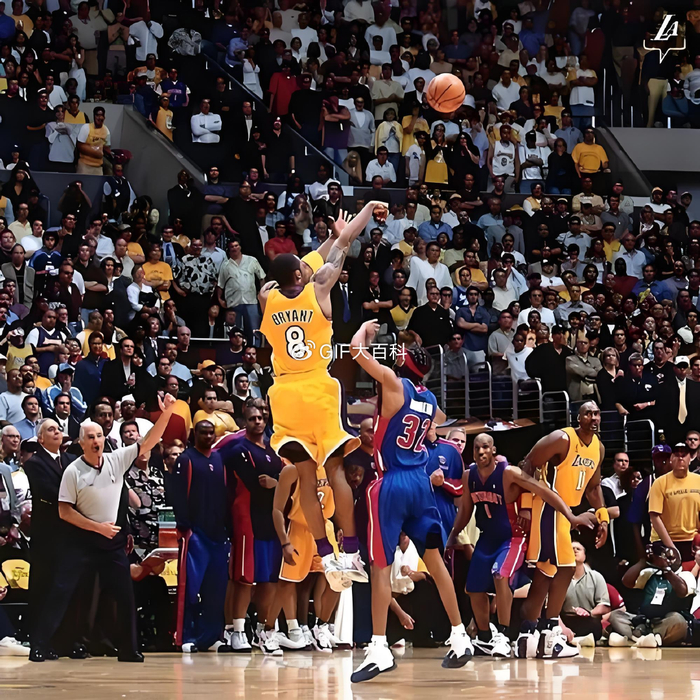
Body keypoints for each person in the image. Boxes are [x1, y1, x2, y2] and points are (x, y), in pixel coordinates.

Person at [259, 203, 386, 590]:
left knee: (304, 478)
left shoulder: (267, 297)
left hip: (284, 394)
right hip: (317, 388)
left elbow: (301, 265)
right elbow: (346, 241)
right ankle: (350, 551)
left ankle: (325, 553)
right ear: (301, 274)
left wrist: (328, 238)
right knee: (334, 472)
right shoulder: (320, 287)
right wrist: (366, 209)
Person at [349, 322, 472, 682]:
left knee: (380, 566)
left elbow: (356, 352)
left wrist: (364, 332)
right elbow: (436, 422)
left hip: (392, 483)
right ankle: (459, 635)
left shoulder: (393, 382)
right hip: (421, 483)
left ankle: (378, 647)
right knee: (435, 562)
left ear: (401, 362)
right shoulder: (430, 399)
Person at [29, 393, 178, 663]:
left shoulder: (116, 459)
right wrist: (97, 528)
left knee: (124, 595)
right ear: (81, 442)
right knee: (61, 592)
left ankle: (129, 649)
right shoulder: (73, 471)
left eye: (99, 435)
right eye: (91, 437)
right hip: (81, 542)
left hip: (112, 543)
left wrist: (166, 413)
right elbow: (64, 512)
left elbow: (148, 441)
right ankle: (38, 645)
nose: (96, 440)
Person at [448, 434, 597, 656]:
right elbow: (466, 510)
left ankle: (503, 634)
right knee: (473, 590)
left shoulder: (508, 473)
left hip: (512, 539)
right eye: (477, 448)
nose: (480, 452)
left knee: (501, 575)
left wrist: (571, 516)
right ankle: (484, 638)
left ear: (493, 450)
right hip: (486, 538)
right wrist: (453, 535)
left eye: (485, 447)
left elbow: (544, 491)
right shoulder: (469, 476)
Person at [516, 402, 608, 659]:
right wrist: (525, 506)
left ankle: (527, 635)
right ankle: (550, 633)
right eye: (588, 413)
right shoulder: (562, 439)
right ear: (578, 418)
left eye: (597, 413)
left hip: (567, 514)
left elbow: (593, 488)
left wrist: (603, 519)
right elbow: (527, 463)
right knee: (567, 567)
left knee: (546, 573)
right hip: (548, 507)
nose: (593, 418)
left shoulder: (598, 448)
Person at [24, 419, 85, 658]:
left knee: (70, 590)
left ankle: (68, 641)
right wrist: (78, 499)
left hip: (72, 535)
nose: (57, 431)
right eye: (51, 429)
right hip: (47, 536)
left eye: (58, 429)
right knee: (45, 588)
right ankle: (41, 642)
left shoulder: (72, 460)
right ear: (40, 438)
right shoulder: (34, 463)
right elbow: (50, 493)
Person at [171, 420, 233, 654]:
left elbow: (226, 494)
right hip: (196, 534)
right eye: (203, 433)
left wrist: (228, 528)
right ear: (194, 434)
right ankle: (186, 636)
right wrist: (184, 526)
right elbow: (178, 495)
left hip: (218, 535)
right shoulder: (186, 459)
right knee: (190, 588)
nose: (208, 436)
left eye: (211, 433)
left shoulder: (219, 459)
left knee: (216, 590)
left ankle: (211, 637)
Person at [648, 441, 700, 564]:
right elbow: (654, 516)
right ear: (671, 459)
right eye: (676, 455)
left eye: (684, 455)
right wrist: (671, 547)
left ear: (690, 459)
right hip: (664, 540)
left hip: (692, 540)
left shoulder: (698, 480)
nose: (680, 458)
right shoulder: (659, 483)